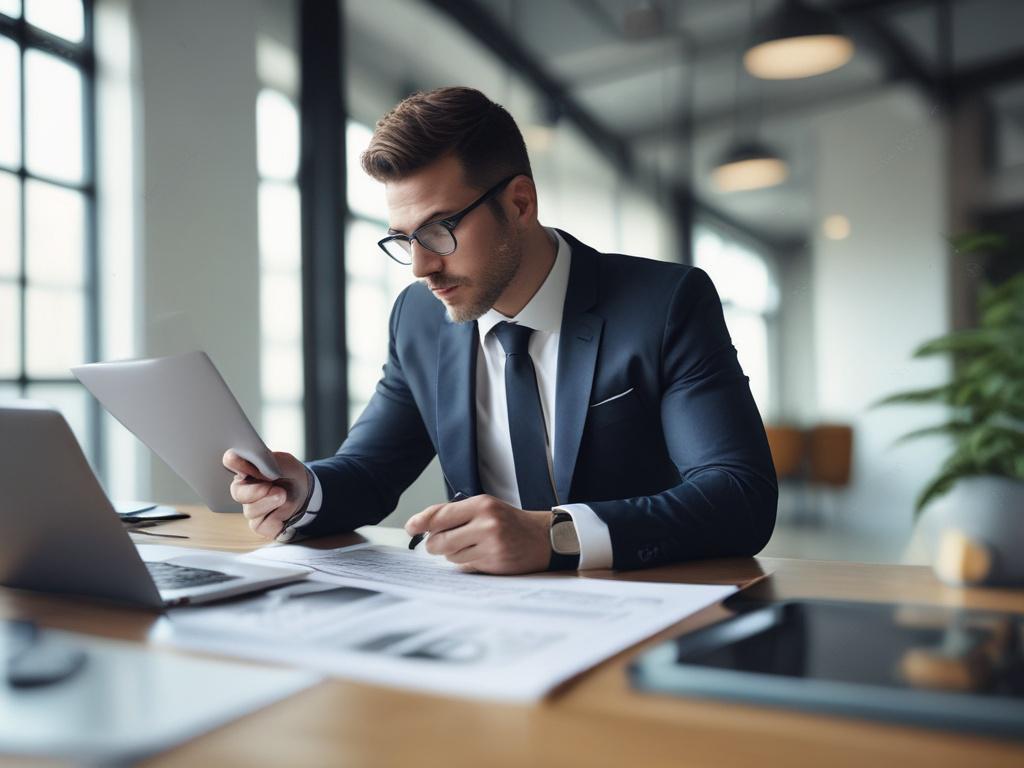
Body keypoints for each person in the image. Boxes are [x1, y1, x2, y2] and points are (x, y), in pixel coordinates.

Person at [223, 86, 777, 575]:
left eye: (439, 230)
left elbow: (739, 496)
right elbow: (370, 470)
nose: (420, 267)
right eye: (402, 238)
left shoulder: (663, 303)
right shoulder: (418, 319)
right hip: (485, 622)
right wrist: (303, 492)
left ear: (519, 203)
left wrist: (555, 536)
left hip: (642, 602)